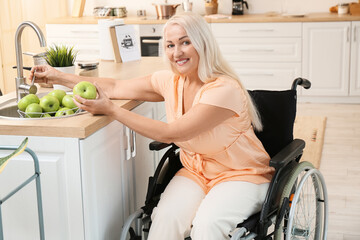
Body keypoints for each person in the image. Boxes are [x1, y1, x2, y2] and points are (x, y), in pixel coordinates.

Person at [30, 12, 274, 240]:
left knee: (207, 226)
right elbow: (113, 87)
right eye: (170, 45)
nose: (177, 52)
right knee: (163, 221)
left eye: (185, 42)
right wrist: (58, 77)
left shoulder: (224, 90)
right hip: (196, 172)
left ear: (202, 43)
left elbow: (169, 133)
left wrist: (112, 110)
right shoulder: (170, 81)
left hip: (240, 175)